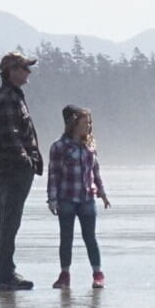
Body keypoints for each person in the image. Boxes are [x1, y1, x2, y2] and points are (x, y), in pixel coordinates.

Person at [0, 52, 43, 291]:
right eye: (24, 68)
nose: (28, 72)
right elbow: (11, 136)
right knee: (10, 222)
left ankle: (6, 272)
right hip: (12, 171)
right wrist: (27, 161)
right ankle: (5, 275)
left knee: (10, 222)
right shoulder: (8, 98)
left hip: (10, 170)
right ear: (11, 71)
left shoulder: (12, 96)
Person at [48, 105, 109, 290]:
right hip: (67, 197)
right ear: (74, 124)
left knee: (90, 237)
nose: (87, 126)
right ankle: (64, 274)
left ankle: (98, 274)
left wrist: (103, 193)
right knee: (66, 238)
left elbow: (95, 171)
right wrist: (52, 198)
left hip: (87, 197)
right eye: (84, 123)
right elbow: (54, 174)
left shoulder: (90, 145)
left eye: (89, 123)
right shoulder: (59, 147)